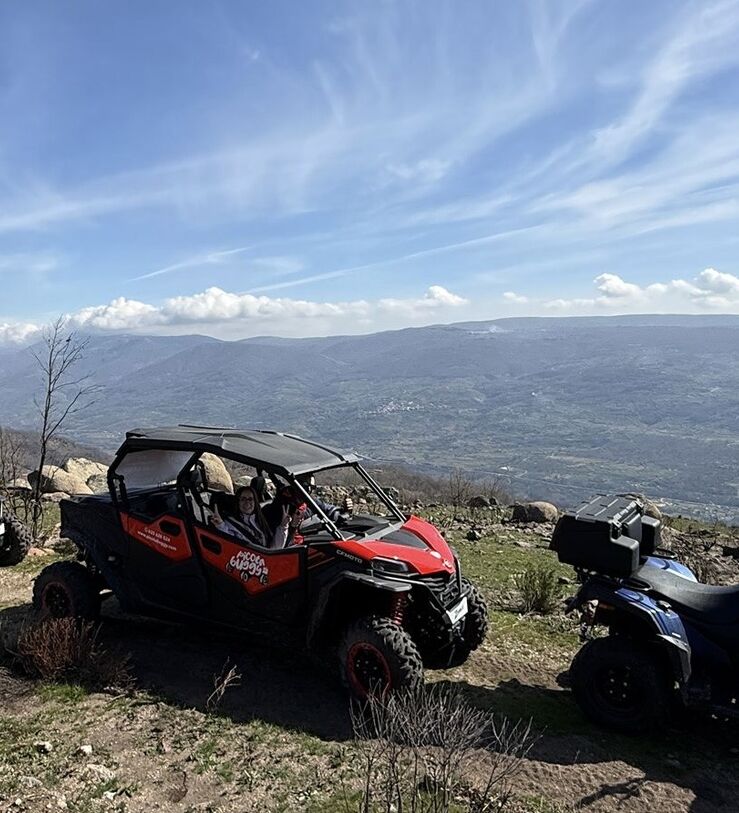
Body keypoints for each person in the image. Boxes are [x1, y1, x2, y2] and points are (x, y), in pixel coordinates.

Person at [211, 485, 290, 549]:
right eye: (243, 499)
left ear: (255, 502)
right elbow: (229, 541)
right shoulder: (231, 523)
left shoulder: (260, 520)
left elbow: (275, 548)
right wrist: (220, 525)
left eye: (250, 499)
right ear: (238, 502)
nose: (247, 502)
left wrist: (283, 526)